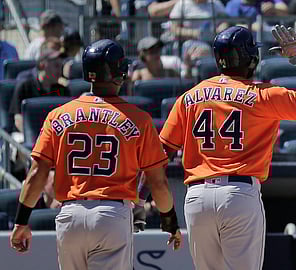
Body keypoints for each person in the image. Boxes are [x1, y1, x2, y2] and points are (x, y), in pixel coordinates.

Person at [158, 25, 296, 269]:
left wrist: (146, 198)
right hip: (238, 194)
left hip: (197, 197)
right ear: (252, 58)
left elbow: (162, 154)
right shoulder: (264, 95)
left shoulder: (190, 96)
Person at [9, 39, 182, 269]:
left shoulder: (58, 115)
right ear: (120, 73)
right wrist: (169, 219)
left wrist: (21, 222)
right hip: (110, 215)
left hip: (70, 215)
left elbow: (36, 174)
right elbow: (157, 182)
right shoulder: (138, 119)